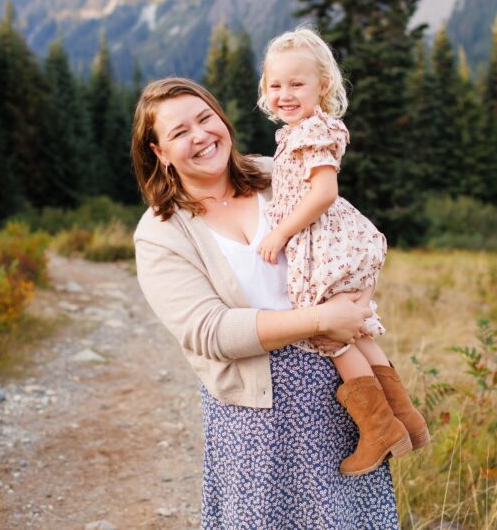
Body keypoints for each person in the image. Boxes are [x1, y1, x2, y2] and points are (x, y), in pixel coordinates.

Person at [132, 78, 400, 528]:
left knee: (348, 517)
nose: (200, 136)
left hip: (339, 390)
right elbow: (212, 333)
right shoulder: (160, 233)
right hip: (255, 414)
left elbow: (351, 240)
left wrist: (354, 308)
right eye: (179, 133)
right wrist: (320, 318)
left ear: (222, 119)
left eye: (205, 119)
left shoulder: (277, 172)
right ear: (159, 153)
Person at [255, 27, 429, 476]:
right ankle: (405, 417)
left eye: (297, 84)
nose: (285, 94)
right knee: (359, 328)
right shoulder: (303, 131)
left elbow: (323, 193)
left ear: (322, 87)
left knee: (331, 333)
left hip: (322, 241)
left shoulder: (312, 131)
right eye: (276, 85)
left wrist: (279, 234)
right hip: (334, 239)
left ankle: (378, 429)